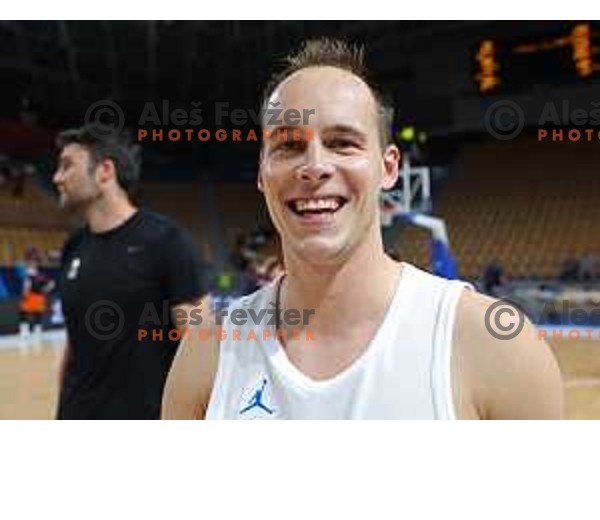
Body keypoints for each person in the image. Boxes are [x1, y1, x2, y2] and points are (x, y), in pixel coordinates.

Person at [162, 38, 563, 420]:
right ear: (262, 173)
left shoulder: (497, 346)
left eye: (342, 143)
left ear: (389, 168)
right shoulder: (207, 353)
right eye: (288, 146)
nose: (315, 166)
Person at [53, 125, 206, 419]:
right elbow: (74, 342)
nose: (57, 177)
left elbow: (199, 345)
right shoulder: (73, 246)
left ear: (105, 171)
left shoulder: (166, 241)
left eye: (67, 166)